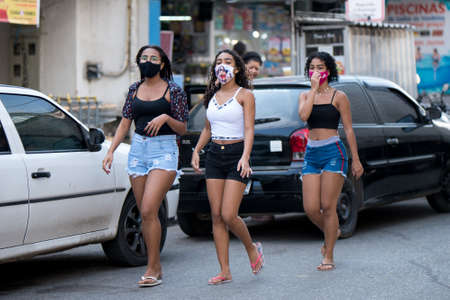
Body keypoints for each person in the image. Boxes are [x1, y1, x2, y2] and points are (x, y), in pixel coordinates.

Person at [102, 45, 189, 287]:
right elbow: (124, 123)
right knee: (145, 213)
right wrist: (110, 151)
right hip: (138, 150)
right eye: (143, 58)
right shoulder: (133, 89)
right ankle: (156, 265)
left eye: (153, 58)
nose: (148, 61)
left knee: (150, 208)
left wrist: (166, 118)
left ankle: (152, 268)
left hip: (164, 151)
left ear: (162, 64)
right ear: (138, 62)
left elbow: (183, 127)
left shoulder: (174, 90)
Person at [191, 49, 264, 285]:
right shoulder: (211, 95)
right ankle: (225, 270)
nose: (222, 65)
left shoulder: (245, 95)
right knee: (216, 216)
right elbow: (207, 128)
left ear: (237, 68)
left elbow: (249, 129)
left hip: (236, 155)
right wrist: (196, 150)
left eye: (228, 61)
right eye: (219, 62)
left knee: (229, 214)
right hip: (214, 155)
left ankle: (251, 248)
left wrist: (245, 156)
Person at [298, 52, 363, 271]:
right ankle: (332, 230)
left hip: (333, 152)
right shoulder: (305, 96)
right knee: (310, 208)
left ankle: (329, 254)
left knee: (328, 205)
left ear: (329, 70)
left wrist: (356, 160)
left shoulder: (339, 97)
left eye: (320, 67)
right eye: (312, 67)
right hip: (311, 154)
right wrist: (314, 91)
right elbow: (304, 117)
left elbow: (349, 129)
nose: (316, 71)